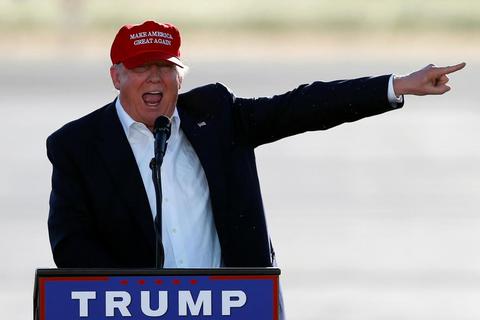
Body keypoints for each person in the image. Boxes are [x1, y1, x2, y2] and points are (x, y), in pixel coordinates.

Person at [47, 20, 465, 270]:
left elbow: (303, 106)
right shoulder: (78, 146)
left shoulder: (217, 115)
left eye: (166, 68)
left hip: (233, 306)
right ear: (116, 77)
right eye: (141, 69)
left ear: (181, 76)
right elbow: (72, 245)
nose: (155, 79)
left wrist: (396, 86)